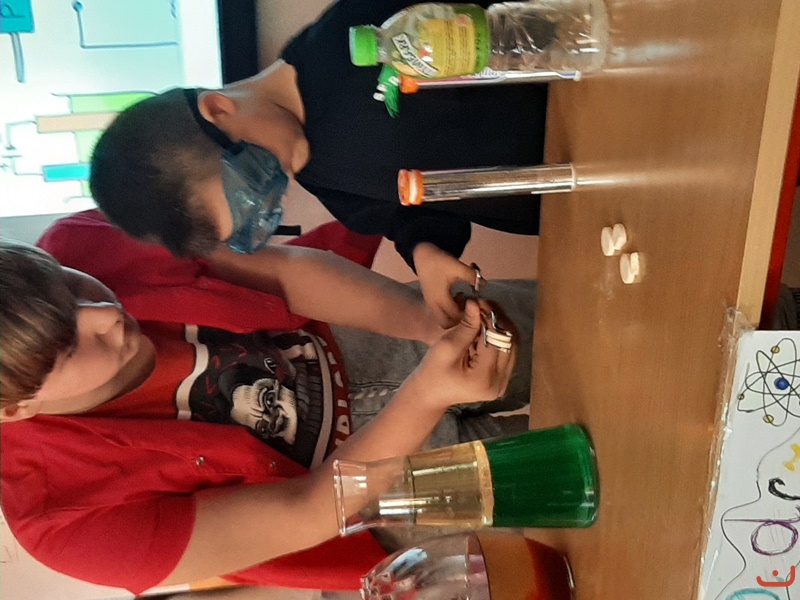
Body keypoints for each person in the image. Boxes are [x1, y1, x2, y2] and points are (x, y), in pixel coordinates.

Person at [0, 212, 535, 595]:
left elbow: (281, 273)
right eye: (70, 346)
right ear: (15, 410)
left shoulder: (81, 240)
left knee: (575, 324)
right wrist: (426, 394)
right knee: (571, 483)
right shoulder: (64, 524)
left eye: (69, 285)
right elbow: (306, 509)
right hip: (378, 498)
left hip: (359, 334)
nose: (105, 314)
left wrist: (423, 321)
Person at [88, 0, 547, 329]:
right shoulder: (316, 173)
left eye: (253, 179)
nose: (279, 189)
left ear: (219, 109)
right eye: (258, 214)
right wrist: (426, 253)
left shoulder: (351, 36)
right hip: (560, 201)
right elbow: (410, 212)